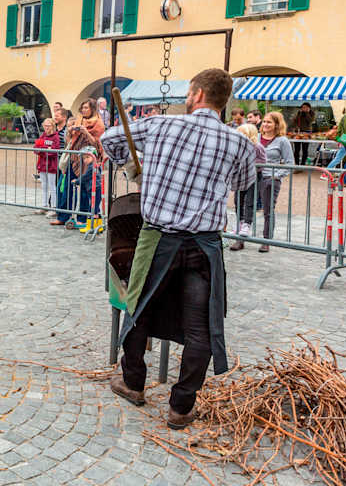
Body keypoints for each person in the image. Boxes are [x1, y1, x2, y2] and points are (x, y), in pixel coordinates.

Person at [101, 68, 255, 430]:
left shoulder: (160, 126)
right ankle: (181, 408)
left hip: (160, 239)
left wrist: (137, 166)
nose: (188, 96)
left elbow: (111, 140)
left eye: (189, 91)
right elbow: (246, 181)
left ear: (198, 94)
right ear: (222, 100)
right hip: (203, 246)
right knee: (200, 327)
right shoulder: (239, 142)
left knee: (138, 308)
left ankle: (133, 383)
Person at [258, 111, 294, 253]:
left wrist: (277, 175)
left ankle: (266, 240)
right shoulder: (257, 137)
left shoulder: (282, 141)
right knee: (245, 207)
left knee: (267, 209)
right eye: (264, 121)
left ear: (277, 125)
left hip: (270, 179)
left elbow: (290, 163)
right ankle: (241, 238)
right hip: (253, 177)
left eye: (269, 122)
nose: (265, 124)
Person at [230, 123, 266, 251]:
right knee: (237, 201)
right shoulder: (237, 147)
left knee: (250, 201)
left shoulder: (257, 147)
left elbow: (262, 161)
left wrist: (250, 166)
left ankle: (247, 224)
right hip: (241, 177)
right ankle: (239, 222)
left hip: (254, 177)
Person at [323, 102, 346, 186]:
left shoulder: (344, 117)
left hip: (345, 141)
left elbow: (339, 130)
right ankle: (344, 181)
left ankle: (345, 180)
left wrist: (340, 139)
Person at [33, 118, 60, 217]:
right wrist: (45, 149)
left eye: (48, 126)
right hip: (43, 164)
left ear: (52, 126)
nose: (46, 128)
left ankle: (53, 207)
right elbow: (36, 148)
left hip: (51, 165)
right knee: (44, 185)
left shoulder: (55, 137)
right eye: (45, 126)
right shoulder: (43, 135)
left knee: (52, 186)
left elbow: (54, 151)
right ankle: (44, 205)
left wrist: (43, 149)